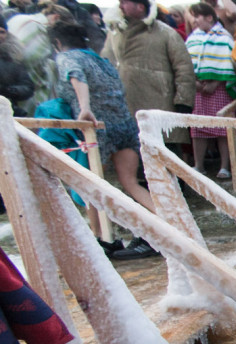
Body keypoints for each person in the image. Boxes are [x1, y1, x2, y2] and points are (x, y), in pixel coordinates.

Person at [50, 20, 160, 259]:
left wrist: (84, 108)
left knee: (88, 185)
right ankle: (165, 229)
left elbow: (76, 76)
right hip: (123, 125)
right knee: (130, 183)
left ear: (58, 43)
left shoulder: (67, 58)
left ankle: (100, 239)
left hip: (96, 128)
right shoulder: (101, 61)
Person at [102, 0, 195, 149]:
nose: (120, 6)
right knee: (135, 155)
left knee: (166, 158)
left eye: (125, 2)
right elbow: (106, 63)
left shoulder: (166, 33)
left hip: (160, 106)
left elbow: (184, 68)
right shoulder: (115, 34)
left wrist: (183, 102)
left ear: (140, 6)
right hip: (126, 105)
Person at [185, 2, 234, 180]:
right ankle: (199, 165)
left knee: (223, 128)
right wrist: (196, 82)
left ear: (209, 17)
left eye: (197, 16)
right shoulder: (192, 38)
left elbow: (228, 62)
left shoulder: (224, 36)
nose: (194, 20)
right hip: (198, 90)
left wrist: (215, 81)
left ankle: (225, 167)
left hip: (220, 89)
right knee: (198, 127)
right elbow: (186, 63)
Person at [0, 13, 35, 117]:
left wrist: (7, 90)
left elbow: (28, 87)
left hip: (6, 113)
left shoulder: (13, 57)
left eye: (2, 32)